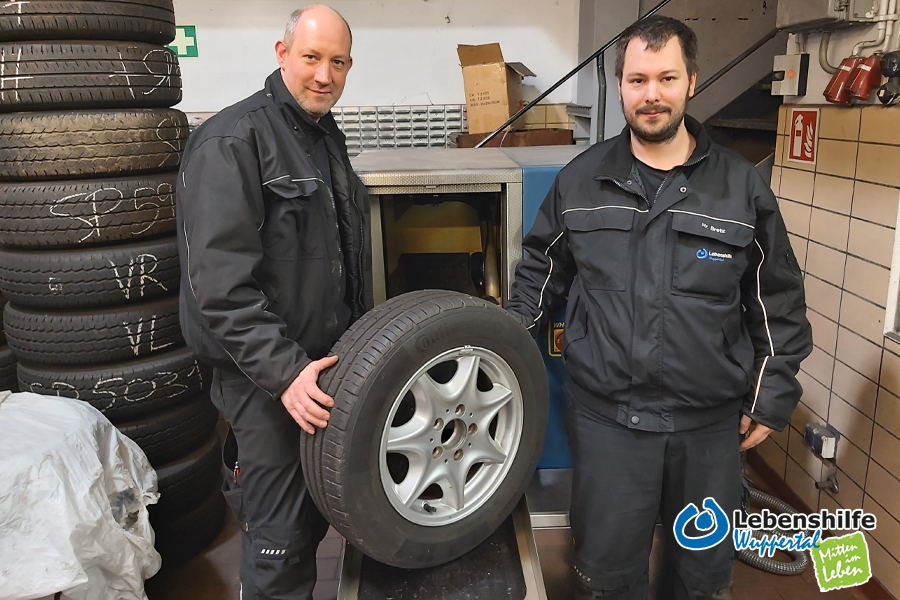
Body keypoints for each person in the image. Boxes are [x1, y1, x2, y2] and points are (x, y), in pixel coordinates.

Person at [506, 16, 812, 600]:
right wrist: (495, 350)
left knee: (700, 579)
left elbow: (776, 304)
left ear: (691, 81)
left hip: (708, 431)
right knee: (606, 575)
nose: (651, 95)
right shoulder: (580, 181)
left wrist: (771, 398)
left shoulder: (741, 188)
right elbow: (538, 280)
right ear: (619, 86)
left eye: (666, 78)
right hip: (608, 426)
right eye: (637, 79)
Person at [175, 5, 372, 598]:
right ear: (282, 53)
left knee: (312, 524)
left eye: (337, 62)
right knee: (280, 543)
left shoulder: (322, 139)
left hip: (321, 374)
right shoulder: (234, 141)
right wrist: (284, 375)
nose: (324, 74)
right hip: (266, 384)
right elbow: (219, 287)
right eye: (311, 57)